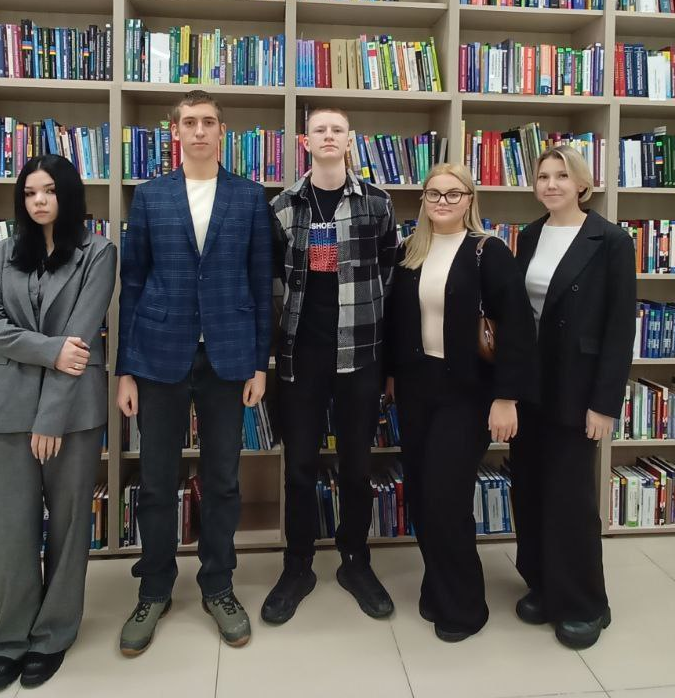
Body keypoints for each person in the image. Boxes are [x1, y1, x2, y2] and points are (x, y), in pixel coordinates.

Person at [115, 89, 272, 656]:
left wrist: (259, 363)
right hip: (159, 354)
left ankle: (218, 585)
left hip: (228, 357)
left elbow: (262, 285)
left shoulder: (249, 196)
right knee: (157, 481)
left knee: (223, 479)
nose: (199, 130)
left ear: (222, 131)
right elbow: (133, 282)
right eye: (189, 122)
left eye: (208, 122)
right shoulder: (150, 195)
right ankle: (154, 588)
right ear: (175, 131)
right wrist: (125, 370)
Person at [0, 154, 117, 692]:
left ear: (68, 194)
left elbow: (82, 337)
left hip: (72, 409)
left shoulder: (98, 252)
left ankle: (53, 633)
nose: (38, 200)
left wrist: (51, 416)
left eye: (49, 191)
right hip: (5, 405)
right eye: (30, 192)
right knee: (7, 527)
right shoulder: (2, 252)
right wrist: (49, 349)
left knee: (69, 525)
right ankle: (10, 637)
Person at [385, 163, 533, 642]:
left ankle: (465, 607)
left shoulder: (489, 251)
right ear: (423, 200)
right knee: (422, 494)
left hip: (468, 392)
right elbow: (397, 320)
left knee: (446, 497)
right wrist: (392, 374)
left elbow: (516, 329)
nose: (443, 201)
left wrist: (506, 397)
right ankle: (437, 584)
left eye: (453, 193)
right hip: (416, 388)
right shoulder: (409, 251)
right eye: (434, 193)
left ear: (470, 199)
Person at [264, 107, 398, 625]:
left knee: (357, 466)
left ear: (349, 140)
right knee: (299, 466)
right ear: (305, 141)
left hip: (360, 354)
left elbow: (389, 273)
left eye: (336, 130)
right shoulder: (282, 207)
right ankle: (297, 565)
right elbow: (273, 281)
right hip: (301, 356)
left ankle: (355, 561)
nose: (327, 136)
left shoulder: (377, 204)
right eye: (318, 129)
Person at [510, 145, 635, 650]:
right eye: (543, 176)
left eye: (562, 175)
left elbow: (620, 328)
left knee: (571, 498)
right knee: (531, 489)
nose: (551, 184)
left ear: (582, 183)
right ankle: (543, 584)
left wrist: (605, 404)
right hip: (531, 385)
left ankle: (585, 603)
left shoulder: (611, 240)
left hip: (577, 387)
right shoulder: (529, 235)